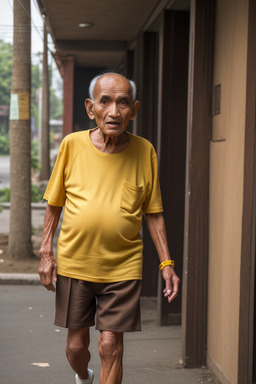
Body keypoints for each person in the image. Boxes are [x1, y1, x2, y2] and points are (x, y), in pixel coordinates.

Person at [38, 72, 180, 384]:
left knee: (109, 344)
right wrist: (46, 252)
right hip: (76, 264)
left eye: (123, 103)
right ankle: (83, 376)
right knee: (76, 347)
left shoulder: (145, 151)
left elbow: (153, 212)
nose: (114, 111)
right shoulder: (72, 145)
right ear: (91, 108)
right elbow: (54, 202)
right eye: (105, 102)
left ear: (135, 109)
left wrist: (166, 262)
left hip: (123, 267)